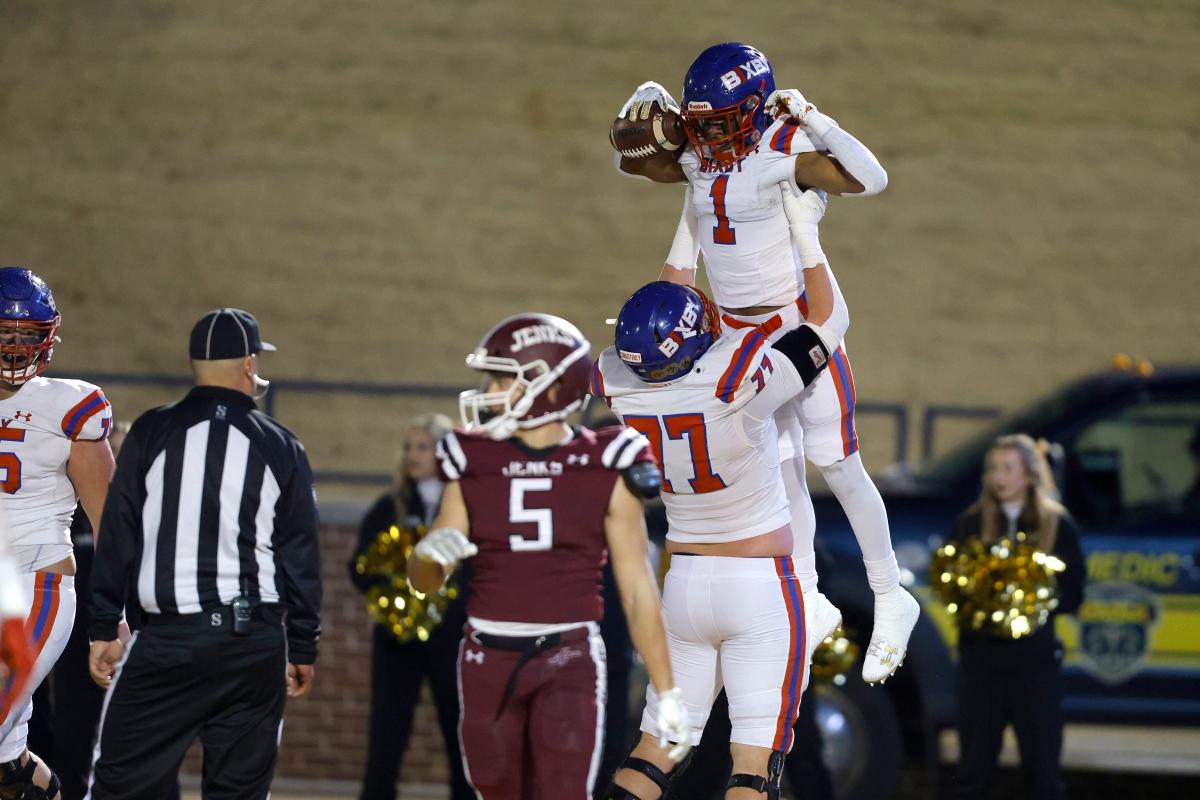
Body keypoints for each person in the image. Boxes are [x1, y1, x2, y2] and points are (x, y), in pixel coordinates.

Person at [614, 42, 920, 684]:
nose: (712, 135)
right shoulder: (699, 156)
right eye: (703, 122)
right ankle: (806, 594)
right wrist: (650, 117)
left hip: (796, 320)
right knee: (777, 468)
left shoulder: (783, 146)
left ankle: (891, 593)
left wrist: (815, 119)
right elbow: (644, 172)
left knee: (836, 463)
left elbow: (873, 177)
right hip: (731, 332)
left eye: (724, 121)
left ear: (755, 110)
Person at [407, 312, 689, 800]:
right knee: (494, 791)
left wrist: (666, 690)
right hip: (485, 654)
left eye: (501, 376)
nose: (490, 389)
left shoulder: (607, 458)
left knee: (564, 790)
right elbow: (425, 581)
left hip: (569, 655)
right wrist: (428, 556)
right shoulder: (474, 456)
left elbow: (638, 588)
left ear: (547, 383)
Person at [593, 280, 841, 800]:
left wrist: (687, 227)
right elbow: (829, 318)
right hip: (758, 587)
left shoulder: (622, 387)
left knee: (655, 751)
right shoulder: (738, 380)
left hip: (683, 587)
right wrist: (807, 237)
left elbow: (661, 305)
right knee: (751, 766)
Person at [86, 308, 322, 800]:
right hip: (253, 644)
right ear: (250, 364)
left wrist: (104, 627)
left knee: (121, 788)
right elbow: (300, 555)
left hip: (170, 639)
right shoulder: (281, 445)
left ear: (194, 362)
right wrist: (302, 646)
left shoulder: (152, 431)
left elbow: (117, 533)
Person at [0, 266, 115, 800]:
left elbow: (109, 521)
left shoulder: (67, 404)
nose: (16, 348)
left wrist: (111, 619)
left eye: (28, 335)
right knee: (8, 768)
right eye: (6, 332)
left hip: (35, 585)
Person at [950, 434, 1085, 800]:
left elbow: (1074, 592)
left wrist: (1034, 601)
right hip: (982, 667)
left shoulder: (1058, 525)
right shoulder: (971, 523)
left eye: (1008, 468)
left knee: (1043, 776)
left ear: (1029, 474)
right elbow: (952, 586)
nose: (999, 477)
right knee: (972, 775)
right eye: (993, 468)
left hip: (1035, 669)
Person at [349, 413, 473, 800]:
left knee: (461, 733)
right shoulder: (390, 507)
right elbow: (359, 568)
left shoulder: (468, 504)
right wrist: (393, 597)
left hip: (452, 640)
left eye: (423, 446)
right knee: (387, 732)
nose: (412, 455)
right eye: (408, 447)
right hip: (397, 640)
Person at [27, 421, 132, 800]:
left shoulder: (134, 509)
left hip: (101, 630)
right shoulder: (62, 499)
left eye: (119, 456)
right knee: (33, 708)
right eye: (110, 453)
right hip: (51, 618)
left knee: (90, 720)